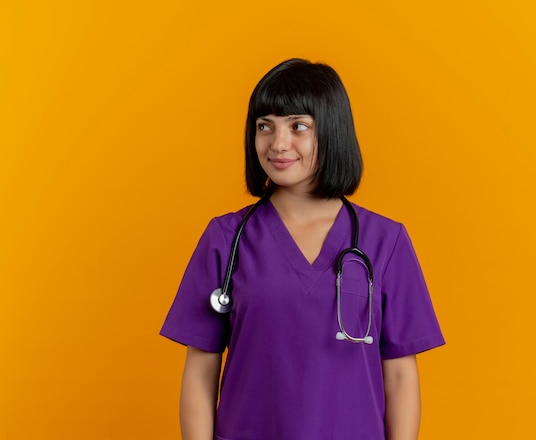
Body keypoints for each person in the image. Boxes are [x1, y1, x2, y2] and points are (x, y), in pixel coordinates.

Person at [160, 58, 445, 440]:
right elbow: (199, 372)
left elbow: (399, 374)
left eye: (298, 127)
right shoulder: (225, 238)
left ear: (332, 131)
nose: (278, 144)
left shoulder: (385, 242)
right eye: (265, 127)